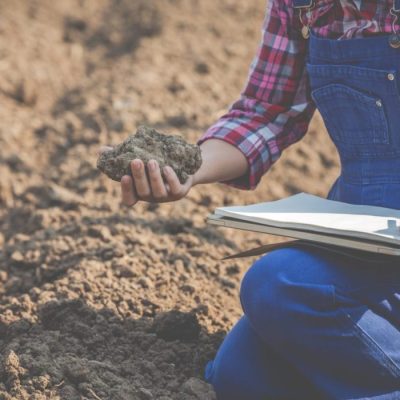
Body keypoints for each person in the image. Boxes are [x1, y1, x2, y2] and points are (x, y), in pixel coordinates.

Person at [105, 0, 400, 398]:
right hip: (360, 235)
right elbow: (266, 112)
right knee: (242, 376)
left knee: (277, 283)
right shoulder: (302, 5)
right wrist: (187, 169)